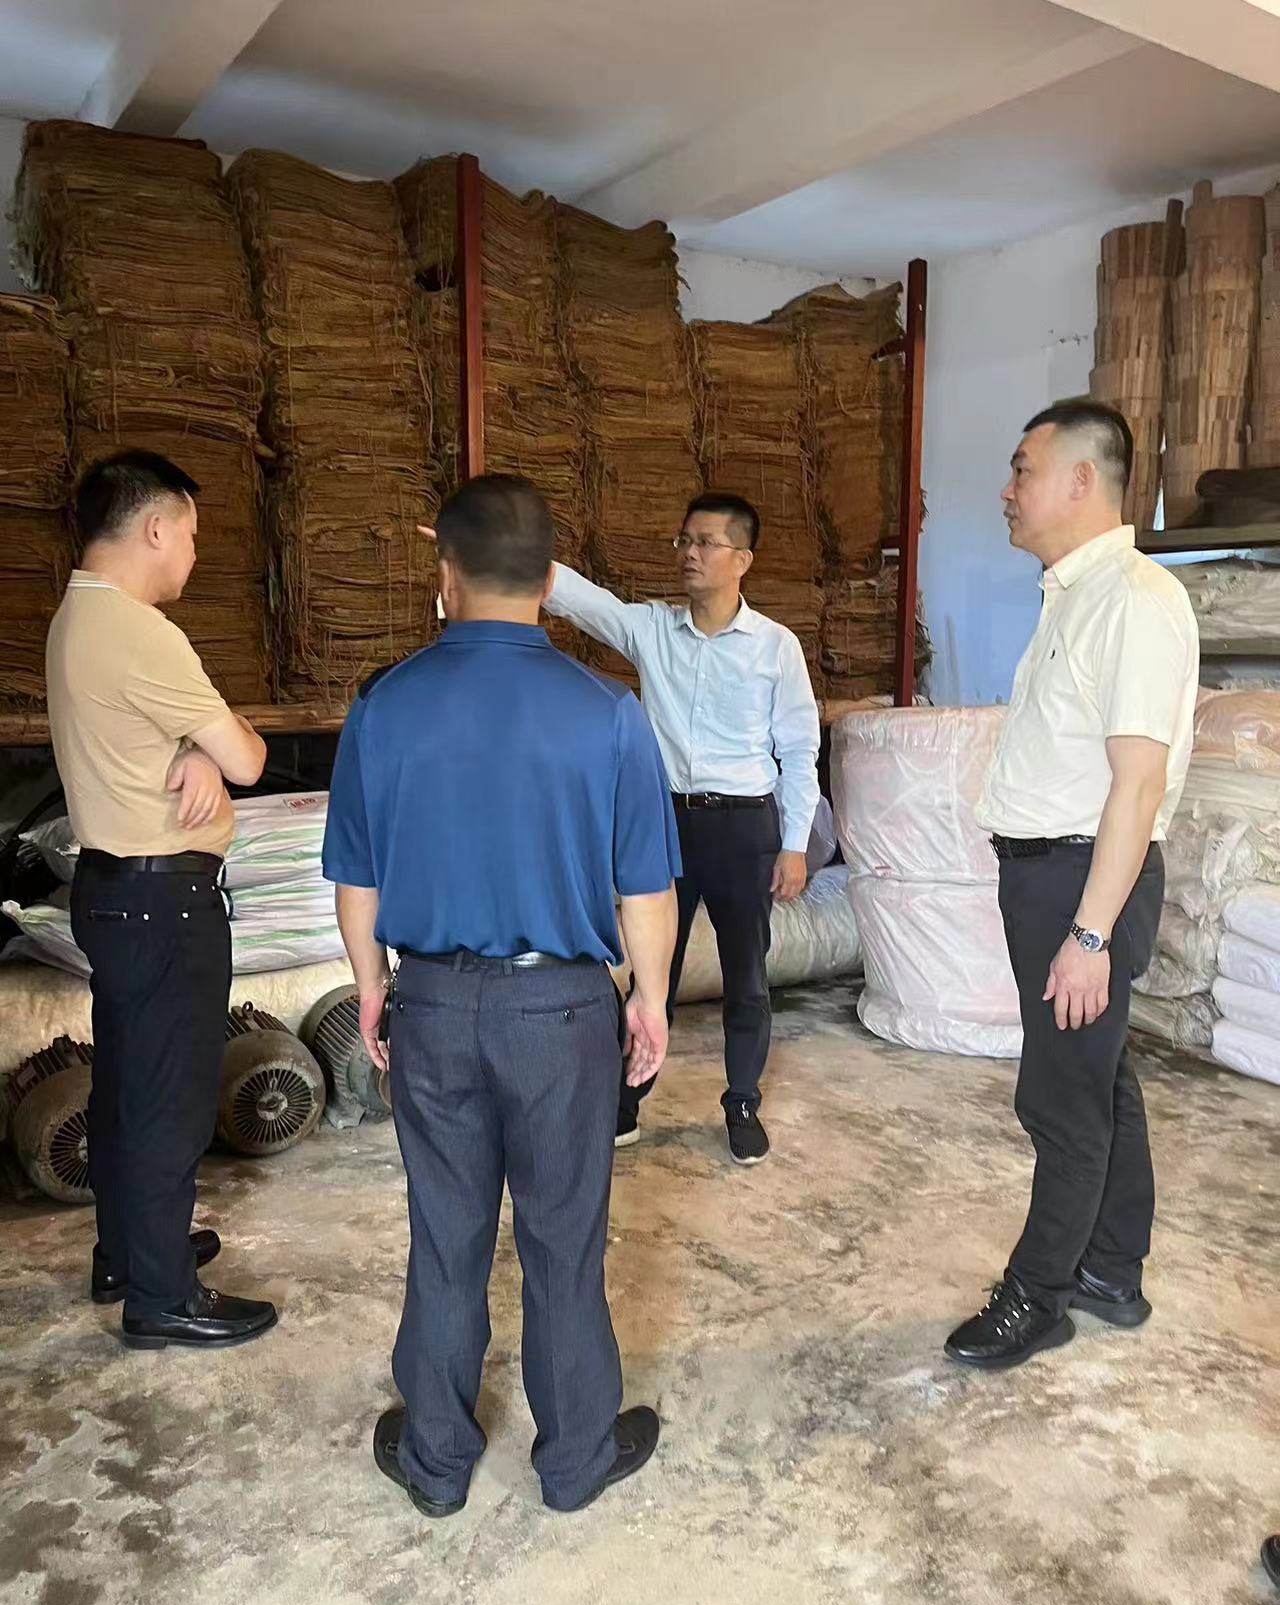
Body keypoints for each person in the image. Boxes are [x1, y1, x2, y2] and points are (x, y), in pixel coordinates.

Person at [325, 474, 680, 1516]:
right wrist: (649, 999)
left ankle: (435, 1461)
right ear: (549, 580)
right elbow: (645, 889)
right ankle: (573, 1461)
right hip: (563, 1015)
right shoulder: (607, 713)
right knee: (563, 1240)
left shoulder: (385, 706)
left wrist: (373, 988)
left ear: (447, 572)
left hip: (434, 1006)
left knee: (446, 1236)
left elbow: (357, 880)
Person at [945, 401, 1199, 1371]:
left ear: (1081, 481)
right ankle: (1110, 1269)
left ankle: (1037, 1295)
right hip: (1055, 875)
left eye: (1023, 470)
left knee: (1058, 1101)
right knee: (1097, 1079)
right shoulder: (1077, 595)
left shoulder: (1133, 598)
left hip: (1084, 880)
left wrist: (1089, 935)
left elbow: (1137, 784)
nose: (1007, 491)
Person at [46, 450, 278, 1349]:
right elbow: (250, 757)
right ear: (152, 527)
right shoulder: (140, 632)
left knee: (126, 1085)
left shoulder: (77, 617)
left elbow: (159, 740)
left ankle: (128, 1250)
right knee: (169, 1101)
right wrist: (210, 748)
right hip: (163, 904)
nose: (192, 552)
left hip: (117, 890)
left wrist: (188, 748)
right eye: (189, 533)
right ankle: (163, 1295)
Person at [540, 493, 821, 1167]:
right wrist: (492, 551)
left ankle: (742, 1102)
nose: (689, 554)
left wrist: (794, 844)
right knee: (648, 969)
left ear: (742, 559)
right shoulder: (653, 629)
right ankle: (625, 1103)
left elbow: (799, 749)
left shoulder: (775, 647)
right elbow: (580, 600)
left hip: (745, 829)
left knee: (746, 975)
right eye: (684, 542)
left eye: (705, 543)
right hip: (665, 824)